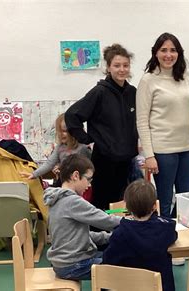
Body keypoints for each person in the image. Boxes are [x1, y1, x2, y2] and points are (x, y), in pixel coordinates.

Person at [65, 43, 138, 211]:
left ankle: (116, 236)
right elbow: (72, 115)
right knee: (102, 203)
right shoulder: (99, 92)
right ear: (108, 67)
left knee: (122, 205)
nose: (122, 69)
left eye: (125, 65)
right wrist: (87, 139)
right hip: (104, 160)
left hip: (126, 160)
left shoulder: (132, 93)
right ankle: (99, 237)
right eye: (117, 65)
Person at [136, 32, 189, 218]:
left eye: (173, 50)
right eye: (163, 50)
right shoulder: (148, 80)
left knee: (186, 200)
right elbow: (142, 121)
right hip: (162, 152)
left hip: (186, 150)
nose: (168, 55)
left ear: (179, 53)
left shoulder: (186, 77)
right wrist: (149, 155)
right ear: (155, 53)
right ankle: (165, 241)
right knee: (165, 202)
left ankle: (181, 239)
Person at [43, 154, 121, 280]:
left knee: (112, 256)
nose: (90, 185)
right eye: (88, 179)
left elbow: (80, 236)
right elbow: (104, 220)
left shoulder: (57, 198)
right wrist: (131, 224)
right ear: (75, 176)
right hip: (74, 265)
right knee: (122, 265)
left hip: (64, 263)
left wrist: (109, 237)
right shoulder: (72, 201)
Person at [103, 179, 178, 291]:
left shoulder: (120, 233)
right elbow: (173, 232)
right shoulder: (165, 228)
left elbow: (108, 263)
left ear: (127, 208)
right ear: (154, 206)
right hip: (159, 287)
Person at [20, 113, 91, 185]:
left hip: (80, 182)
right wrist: (34, 174)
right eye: (59, 131)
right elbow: (49, 163)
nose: (61, 134)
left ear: (74, 131)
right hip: (65, 181)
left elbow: (90, 167)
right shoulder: (60, 148)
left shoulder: (83, 148)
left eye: (64, 131)